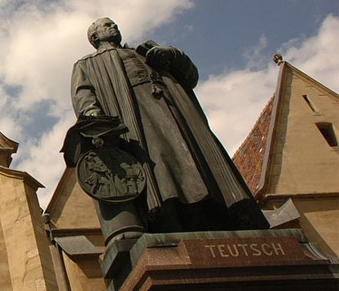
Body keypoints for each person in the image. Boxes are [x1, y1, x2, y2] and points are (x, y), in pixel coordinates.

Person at [70, 18, 268, 242]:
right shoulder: (87, 64)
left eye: (114, 23)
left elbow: (190, 77)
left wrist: (172, 55)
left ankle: (219, 213)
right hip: (137, 123)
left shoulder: (146, 52)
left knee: (199, 163)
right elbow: (84, 98)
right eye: (107, 25)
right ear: (95, 38)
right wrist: (95, 120)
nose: (114, 27)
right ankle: (171, 218)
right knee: (161, 169)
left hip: (178, 116)